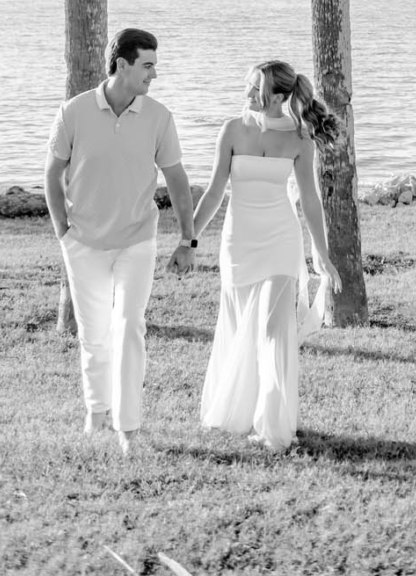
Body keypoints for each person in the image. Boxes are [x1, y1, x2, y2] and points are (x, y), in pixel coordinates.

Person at [43, 27, 197, 453]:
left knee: (130, 326)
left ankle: (127, 427)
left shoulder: (159, 116)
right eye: (147, 64)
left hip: (137, 240)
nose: (154, 73)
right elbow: (52, 175)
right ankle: (96, 411)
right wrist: (64, 234)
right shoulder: (73, 112)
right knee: (94, 334)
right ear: (122, 65)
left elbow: (177, 179)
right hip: (84, 243)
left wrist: (187, 238)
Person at [194, 58, 342, 452]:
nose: (247, 94)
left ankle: (275, 428)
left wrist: (322, 255)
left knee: (273, 332)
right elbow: (213, 192)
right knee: (239, 325)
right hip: (238, 241)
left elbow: (310, 200)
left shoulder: (299, 138)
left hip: (280, 240)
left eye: (255, 88)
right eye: (247, 85)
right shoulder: (232, 130)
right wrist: (188, 239)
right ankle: (237, 414)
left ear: (278, 96)